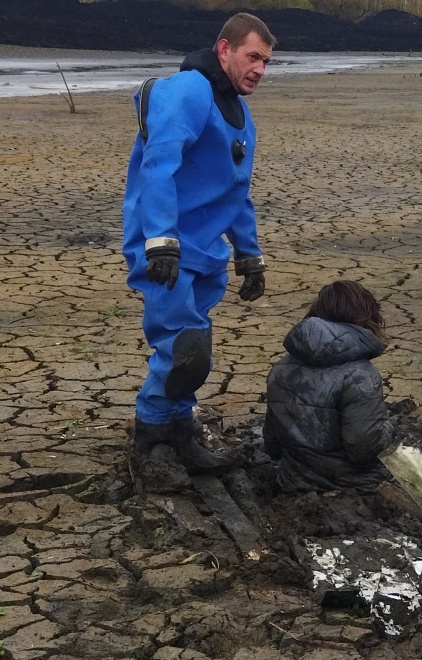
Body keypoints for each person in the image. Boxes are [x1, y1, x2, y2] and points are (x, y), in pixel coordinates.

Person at [122, 13, 275, 475]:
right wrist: (161, 239)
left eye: (267, 62)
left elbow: (235, 189)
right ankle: (150, 439)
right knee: (184, 347)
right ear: (224, 49)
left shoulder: (239, 115)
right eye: (253, 57)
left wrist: (249, 254)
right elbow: (159, 164)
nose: (260, 70)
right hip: (168, 248)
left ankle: (180, 432)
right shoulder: (189, 90)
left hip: (204, 252)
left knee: (195, 348)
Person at [263, 280, 396, 494]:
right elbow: (363, 448)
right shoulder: (360, 376)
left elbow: (272, 445)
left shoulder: (280, 368)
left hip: (292, 485)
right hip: (355, 489)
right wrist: (390, 427)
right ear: (366, 320)